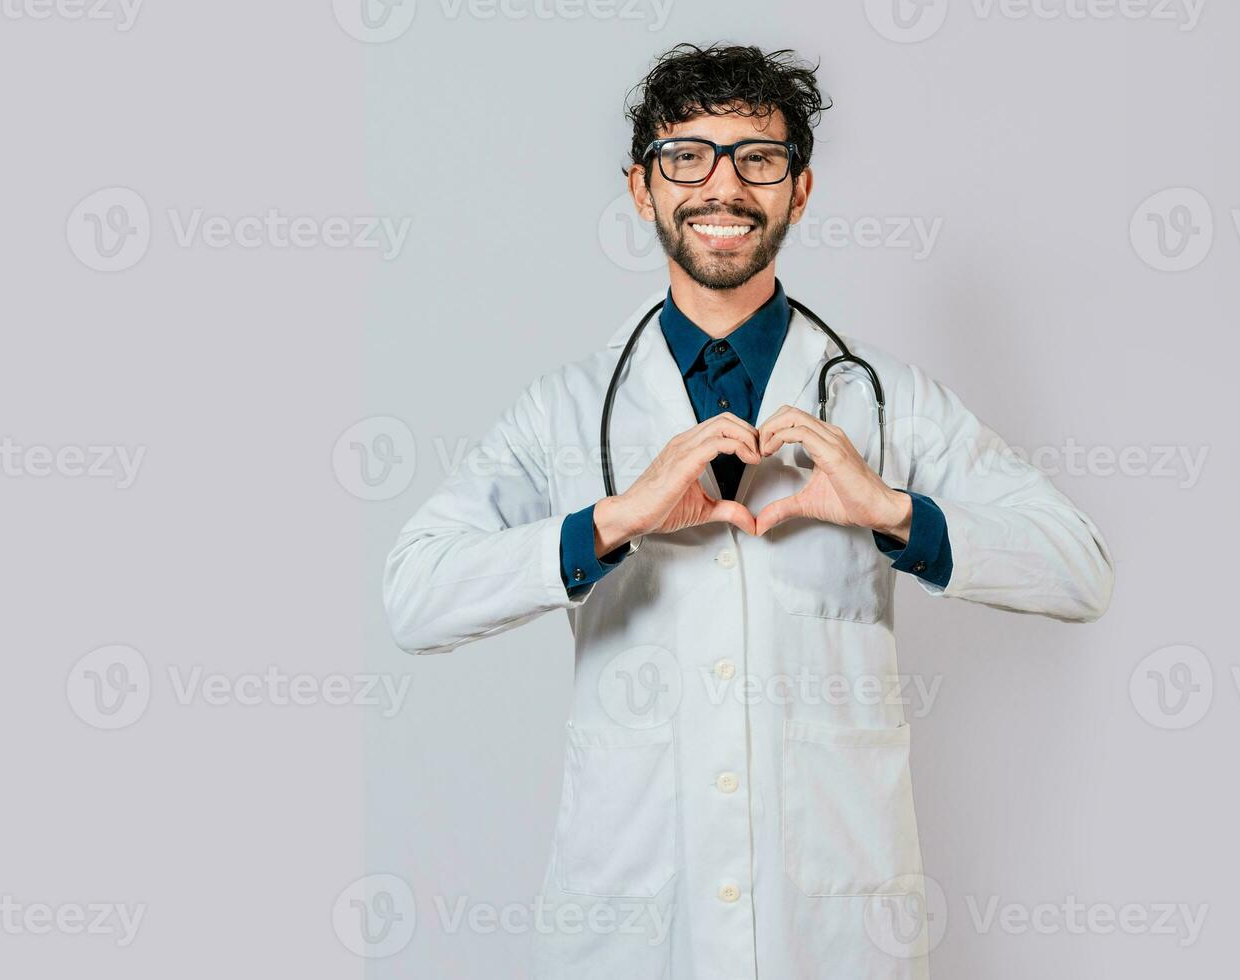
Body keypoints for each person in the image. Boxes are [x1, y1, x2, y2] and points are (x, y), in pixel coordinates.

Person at [383, 41, 1115, 980]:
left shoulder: (885, 401)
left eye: (756, 159)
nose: (720, 186)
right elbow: (414, 595)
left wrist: (893, 512)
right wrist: (609, 522)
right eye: (685, 156)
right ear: (641, 189)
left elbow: (1079, 569)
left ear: (798, 191)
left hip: (833, 926)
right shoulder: (564, 408)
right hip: (636, 920)